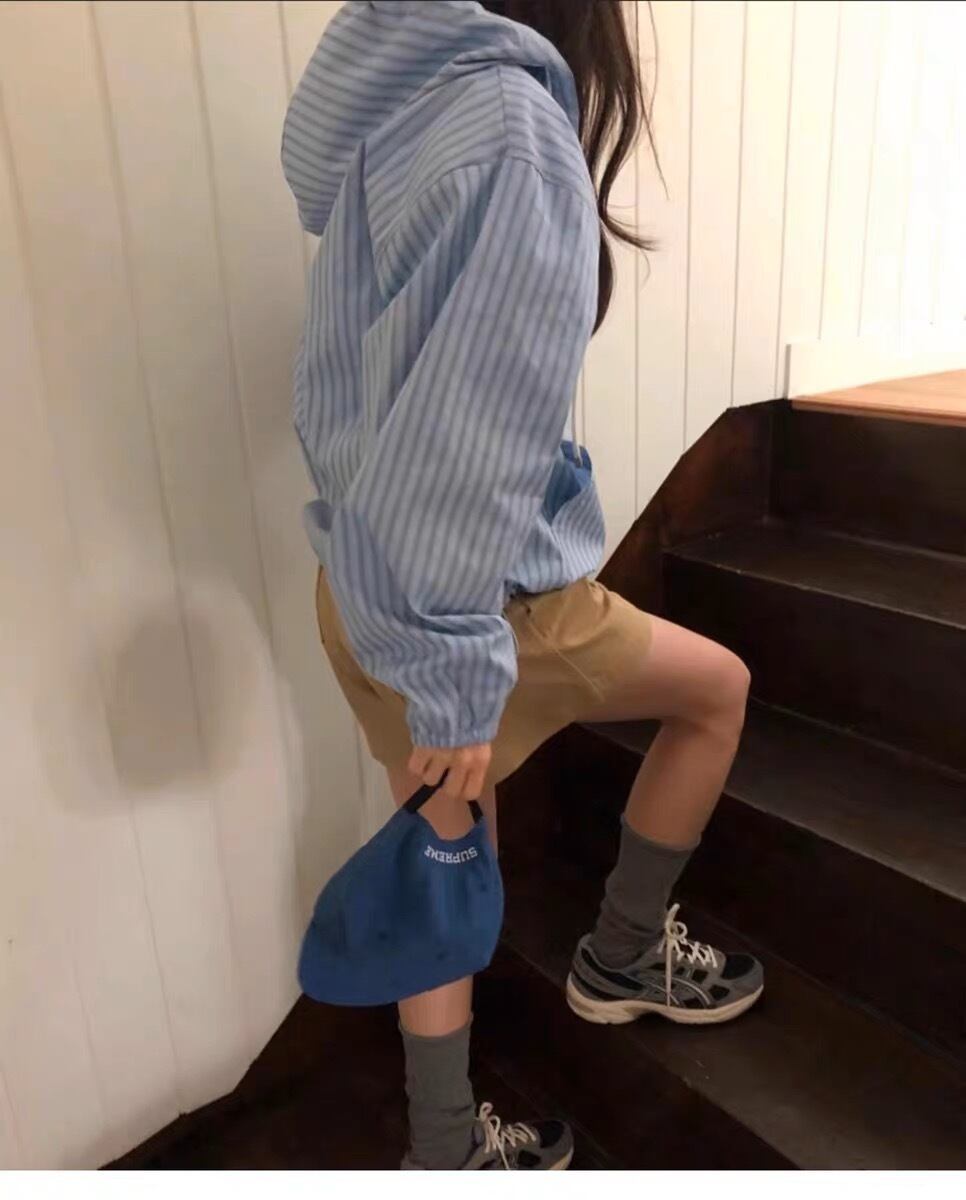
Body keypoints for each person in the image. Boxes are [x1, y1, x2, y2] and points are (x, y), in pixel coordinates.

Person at [282, 0, 763, 1171]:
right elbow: (465, 446)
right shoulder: (511, 130)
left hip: (359, 580)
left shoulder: (393, 107)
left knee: (444, 852)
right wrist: (456, 676)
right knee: (719, 693)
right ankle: (624, 954)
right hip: (474, 600)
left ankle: (445, 1145)